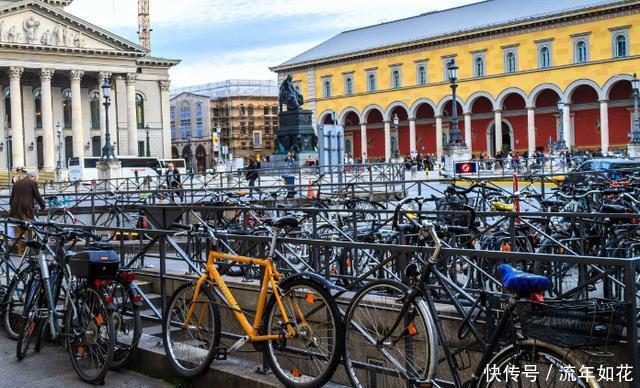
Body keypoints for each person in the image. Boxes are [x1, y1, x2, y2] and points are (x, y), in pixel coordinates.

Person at [10, 170, 46, 255]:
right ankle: (30, 251)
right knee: (31, 230)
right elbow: (38, 196)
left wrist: (12, 208)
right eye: (36, 179)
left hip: (15, 210)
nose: (36, 180)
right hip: (26, 210)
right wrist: (43, 207)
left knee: (18, 232)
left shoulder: (17, 183)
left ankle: (21, 253)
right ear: (33, 177)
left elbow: (11, 198)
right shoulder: (32, 183)